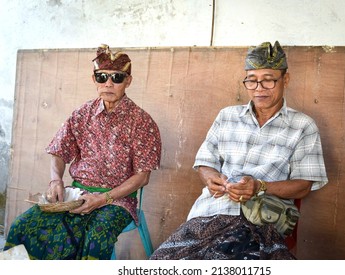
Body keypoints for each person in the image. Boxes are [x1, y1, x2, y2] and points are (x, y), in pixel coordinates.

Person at [150, 41, 328, 260]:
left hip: (261, 221)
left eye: (269, 80)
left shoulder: (302, 126)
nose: (259, 88)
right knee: (163, 261)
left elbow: (303, 186)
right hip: (210, 213)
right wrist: (212, 178)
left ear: (285, 80)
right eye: (252, 81)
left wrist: (259, 187)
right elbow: (205, 163)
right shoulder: (227, 116)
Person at [4, 44, 162, 260]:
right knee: (25, 224)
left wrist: (103, 199)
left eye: (117, 77)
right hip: (76, 194)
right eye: (102, 77)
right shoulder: (82, 114)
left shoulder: (142, 122)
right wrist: (55, 181)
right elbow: (59, 152)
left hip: (117, 200)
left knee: (96, 234)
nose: (108, 83)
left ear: (128, 81)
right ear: (94, 80)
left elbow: (142, 177)